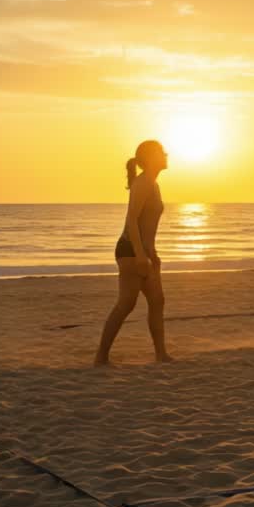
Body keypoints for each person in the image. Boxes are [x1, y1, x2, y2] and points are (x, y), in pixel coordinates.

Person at [95, 140, 171, 365]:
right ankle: (100, 358)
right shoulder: (144, 183)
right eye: (161, 152)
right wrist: (140, 254)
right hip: (130, 250)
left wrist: (152, 253)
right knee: (126, 304)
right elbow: (132, 220)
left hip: (143, 251)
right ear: (150, 157)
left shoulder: (153, 184)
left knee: (157, 301)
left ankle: (161, 355)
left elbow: (148, 225)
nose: (166, 155)